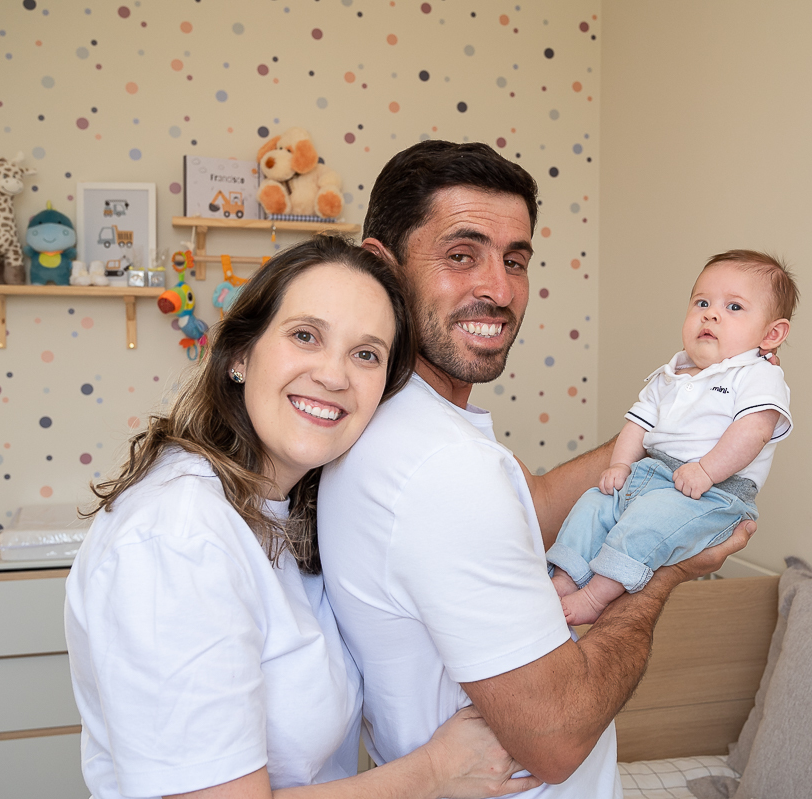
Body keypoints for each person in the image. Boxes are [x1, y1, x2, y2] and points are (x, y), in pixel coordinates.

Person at [317, 141, 757, 797]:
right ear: (382, 267)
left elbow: (536, 501)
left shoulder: (399, 420)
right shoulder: (443, 466)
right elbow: (558, 739)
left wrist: (671, 434)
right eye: (461, 255)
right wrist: (662, 572)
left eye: (514, 259)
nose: (498, 289)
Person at [64, 236, 541, 799]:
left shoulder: (292, 511)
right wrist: (435, 774)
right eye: (305, 336)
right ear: (240, 354)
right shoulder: (178, 537)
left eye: (366, 354)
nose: (334, 376)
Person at [548, 250, 797, 624]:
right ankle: (564, 578)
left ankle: (596, 596)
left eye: (733, 307)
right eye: (702, 302)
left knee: (645, 524)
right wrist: (620, 465)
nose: (711, 314)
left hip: (714, 491)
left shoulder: (757, 375)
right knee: (593, 505)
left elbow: (754, 431)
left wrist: (707, 470)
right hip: (649, 475)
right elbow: (638, 423)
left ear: (771, 334)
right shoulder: (671, 373)